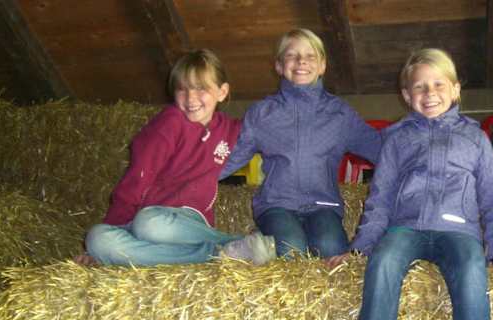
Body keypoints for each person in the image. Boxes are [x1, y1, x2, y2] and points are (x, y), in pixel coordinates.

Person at [327, 48, 493, 320]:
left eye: (438, 84)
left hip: (458, 231)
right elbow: (380, 199)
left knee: (471, 269)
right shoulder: (397, 139)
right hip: (406, 227)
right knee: (384, 261)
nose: (430, 93)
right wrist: (361, 247)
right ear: (406, 95)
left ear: (456, 89)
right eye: (420, 87)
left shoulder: (474, 138)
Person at [77, 49, 276, 266]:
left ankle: (218, 249)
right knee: (97, 239)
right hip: (145, 215)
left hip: (186, 222)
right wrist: (114, 228)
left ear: (222, 92)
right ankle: (223, 250)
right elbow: (137, 178)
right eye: (182, 89)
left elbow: (264, 131)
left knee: (151, 225)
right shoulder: (168, 125)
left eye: (201, 88)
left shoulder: (228, 129)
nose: (191, 98)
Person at [219, 28, 383, 259]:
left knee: (330, 250)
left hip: (323, 205)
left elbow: (379, 148)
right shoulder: (262, 114)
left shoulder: (340, 114)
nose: (301, 61)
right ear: (279, 66)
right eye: (291, 55)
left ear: (322, 66)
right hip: (277, 204)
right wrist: (193, 176)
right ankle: (259, 240)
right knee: (291, 249)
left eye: (310, 56)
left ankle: (271, 240)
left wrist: (414, 151)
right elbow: (235, 155)